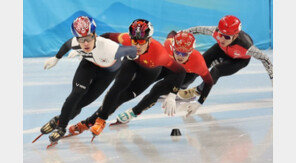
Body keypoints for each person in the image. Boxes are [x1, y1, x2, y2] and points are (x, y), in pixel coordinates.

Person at [68, 19, 186, 138]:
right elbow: (105, 37)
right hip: (132, 62)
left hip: (149, 72)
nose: (138, 45)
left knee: (123, 97)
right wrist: (87, 49)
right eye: (134, 41)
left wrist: (173, 94)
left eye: (141, 41)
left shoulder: (161, 55)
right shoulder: (125, 38)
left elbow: (181, 71)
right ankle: (99, 120)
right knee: (117, 88)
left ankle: (89, 121)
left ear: (149, 40)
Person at [36, 16, 137, 144]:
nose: (85, 43)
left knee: (82, 103)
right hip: (88, 65)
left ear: (94, 35)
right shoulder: (77, 42)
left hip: (107, 73)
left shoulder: (110, 48)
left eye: (88, 39)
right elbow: (68, 44)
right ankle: (61, 127)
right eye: (81, 40)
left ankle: (59, 119)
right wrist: (56, 58)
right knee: (76, 93)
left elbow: (133, 50)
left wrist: (133, 57)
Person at [177, 15, 273, 117]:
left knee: (216, 70)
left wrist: (273, 79)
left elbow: (265, 59)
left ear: (235, 36)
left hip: (238, 60)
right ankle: (180, 86)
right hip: (221, 50)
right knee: (197, 65)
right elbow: (198, 29)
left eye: (227, 37)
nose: (222, 38)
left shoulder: (246, 45)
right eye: (221, 35)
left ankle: (198, 91)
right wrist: (181, 33)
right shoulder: (215, 31)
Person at [115, 30, 214, 124]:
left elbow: (209, 82)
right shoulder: (168, 44)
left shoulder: (198, 62)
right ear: (173, 47)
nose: (180, 56)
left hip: (187, 75)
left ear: (191, 51)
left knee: (157, 89)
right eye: (177, 52)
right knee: (146, 76)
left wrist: (199, 103)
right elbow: (172, 33)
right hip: (170, 67)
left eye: (184, 54)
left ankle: (133, 112)